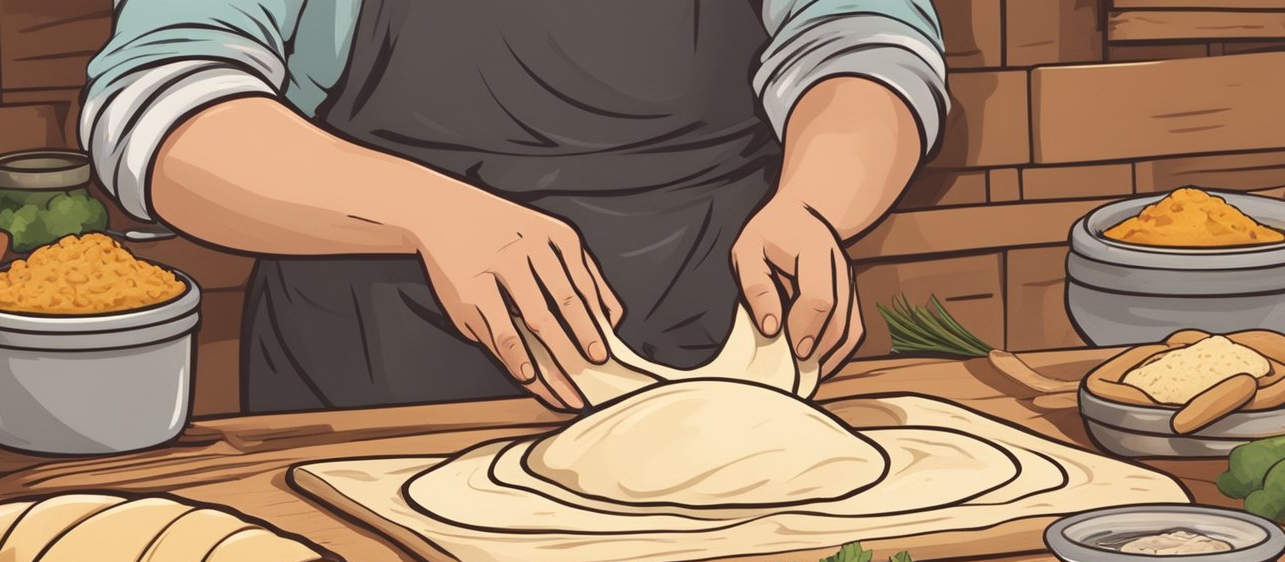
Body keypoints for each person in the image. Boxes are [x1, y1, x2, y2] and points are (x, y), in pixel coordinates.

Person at [82, 1, 947, 413]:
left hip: (723, 381)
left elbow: (864, 43)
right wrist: (433, 214)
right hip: (384, 396)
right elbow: (164, 105)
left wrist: (815, 204)